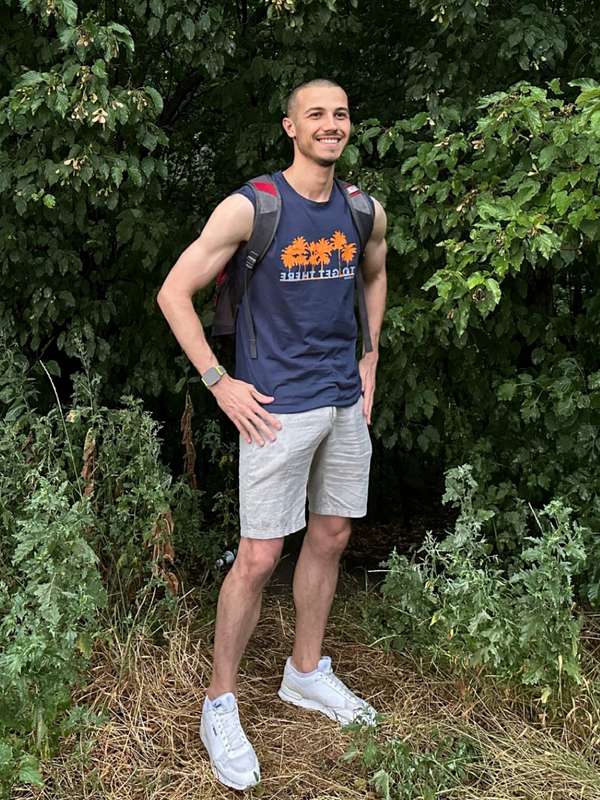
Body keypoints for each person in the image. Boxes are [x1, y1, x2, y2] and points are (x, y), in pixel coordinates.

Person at [157, 78, 387, 791]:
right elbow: (173, 292)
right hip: (274, 408)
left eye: (340, 114)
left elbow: (375, 275)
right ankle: (218, 704)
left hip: (342, 402)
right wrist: (217, 381)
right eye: (315, 114)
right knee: (259, 556)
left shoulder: (362, 209)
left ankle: (305, 672)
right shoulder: (253, 206)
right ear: (291, 127)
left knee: (332, 535)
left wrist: (371, 358)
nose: (330, 124)